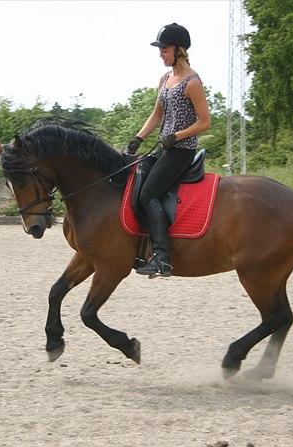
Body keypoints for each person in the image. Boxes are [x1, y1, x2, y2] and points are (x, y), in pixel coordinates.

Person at [126, 22, 211, 277]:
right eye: (160, 49)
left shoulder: (192, 82)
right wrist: (138, 139)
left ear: (179, 50)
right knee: (137, 179)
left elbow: (205, 122)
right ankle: (142, 248)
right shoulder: (165, 79)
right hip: (165, 147)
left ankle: (162, 258)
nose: (161, 53)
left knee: (148, 194)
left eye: (164, 49)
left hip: (181, 151)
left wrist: (177, 136)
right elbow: (156, 114)